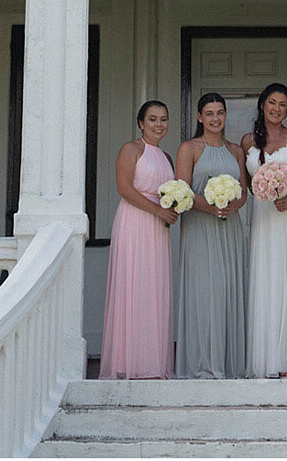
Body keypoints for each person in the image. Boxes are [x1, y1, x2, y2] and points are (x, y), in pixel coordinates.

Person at [243, 82, 287, 377]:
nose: (277, 109)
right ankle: (267, 361)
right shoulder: (248, 140)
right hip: (264, 216)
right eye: (272, 103)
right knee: (267, 281)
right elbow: (245, 185)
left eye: (283, 104)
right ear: (263, 105)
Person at [173, 92, 248, 379]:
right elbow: (182, 191)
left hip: (229, 228)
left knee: (227, 291)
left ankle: (228, 364)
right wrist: (210, 207)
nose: (216, 118)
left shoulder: (235, 150)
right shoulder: (189, 148)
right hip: (199, 228)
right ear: (200, 117)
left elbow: (242, 190)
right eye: (210, 113)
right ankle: (202, 364)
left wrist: (231, 206)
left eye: (220, 113)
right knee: (204, 294)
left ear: (225, 115)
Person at [101, 100, 177, 379]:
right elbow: (124, 188)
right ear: (141, 122)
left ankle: (153, 363)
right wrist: (158, 210)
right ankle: (128, 363)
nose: (159, 124)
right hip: (134, 222)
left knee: (154, 288)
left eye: (164, 119)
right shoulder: (131, 150)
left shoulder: (167, 157)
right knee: (133, 285)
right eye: (153, 119)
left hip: (158, 229)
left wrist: (172, 208)